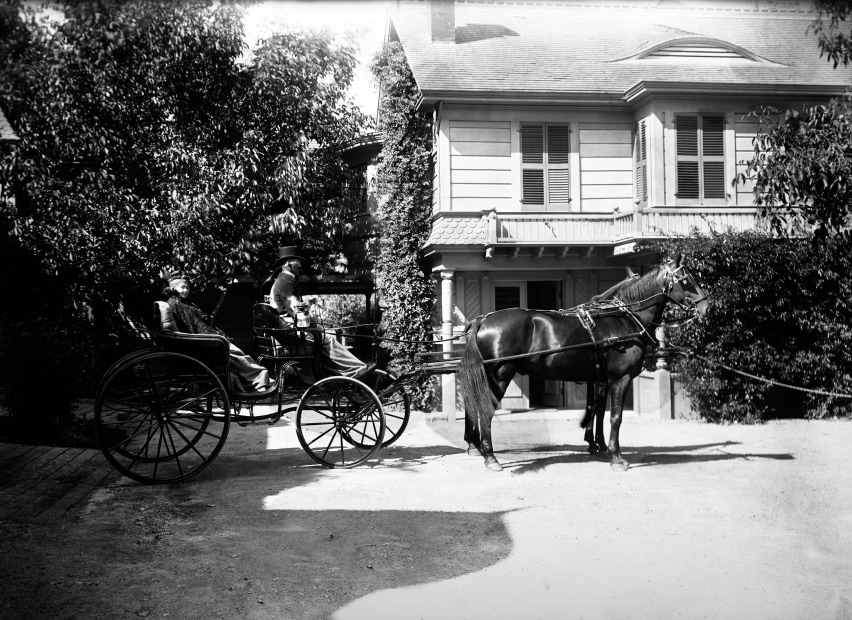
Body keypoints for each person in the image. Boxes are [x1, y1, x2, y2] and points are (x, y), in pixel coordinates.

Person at [269, 246, 376, 379]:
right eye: (297, 261)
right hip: (292, 335)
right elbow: (297, 313)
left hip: (289, 333)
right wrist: (315, 323)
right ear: (288, 264)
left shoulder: (282, 281)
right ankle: (356, 370)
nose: (300, 264)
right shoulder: (285, 282)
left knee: (324, 333)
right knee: (328, 338)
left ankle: (349, 371)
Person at [162, 270, 271, 393]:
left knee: (235, 352)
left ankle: (253, 381)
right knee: (236, 352)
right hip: (201, 346)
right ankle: (259, 378)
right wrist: (216, 336)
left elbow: (197, 325)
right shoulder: (178, 305)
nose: (186, 290)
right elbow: (196, 327)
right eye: (182, 287)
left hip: (199, 343)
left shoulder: (179, 303)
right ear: (172, 288)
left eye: (187, 287)